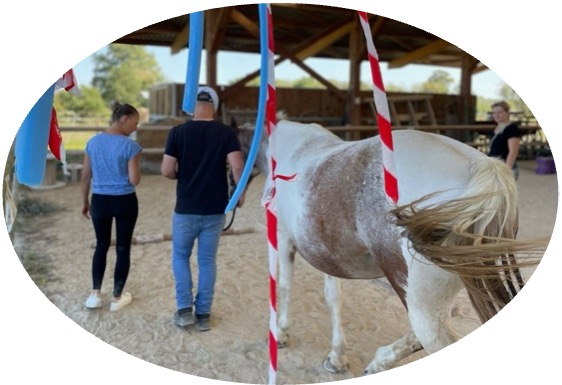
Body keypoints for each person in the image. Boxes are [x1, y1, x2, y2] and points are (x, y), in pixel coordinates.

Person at [161, 86, 245, 332]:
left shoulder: (177, 132)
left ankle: (185, 310)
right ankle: (204, 314)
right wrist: (239, 193)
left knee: (180, 256)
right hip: (215, 207)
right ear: (215, 107)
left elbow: (166, 171)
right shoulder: (226, 133)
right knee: (207, 261)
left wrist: (181, 174)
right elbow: (237, 167)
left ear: (191, 105)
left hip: (186, 206)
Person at [81, 102, 142, 311]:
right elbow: (134, 180)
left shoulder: (93, 142)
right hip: (125, 201)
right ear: (124, 118)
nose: (135, 127)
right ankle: (117, 298)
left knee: (101, 245)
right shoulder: (130, 146)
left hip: (99, 200)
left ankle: (95, 294)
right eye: (135, 122)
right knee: (123, 248)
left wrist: (84, 201)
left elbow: (86, 175)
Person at [488, 101, 522, 180]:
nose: (496, 115)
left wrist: (506, 171)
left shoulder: (512, 129)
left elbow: (513, 152)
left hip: (505, 166)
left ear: (507, 113)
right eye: (494, 113)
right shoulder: (496, 127)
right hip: (494, 166)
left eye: (500, 112)